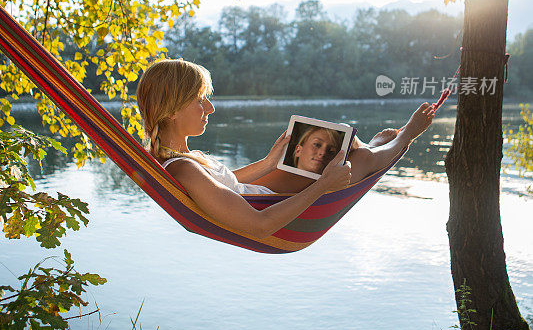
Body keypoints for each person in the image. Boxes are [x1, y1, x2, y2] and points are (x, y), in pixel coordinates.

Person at [136, 58, 434, 239]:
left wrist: (268, 163)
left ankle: (367, 145)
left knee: (339, 142)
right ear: (172, 110)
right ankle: (404, 136)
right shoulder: (184, 169)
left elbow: (223, 185)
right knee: (359, 160)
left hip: (263, 195)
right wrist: (324, 186)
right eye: (200, 100)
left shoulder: (186, 160)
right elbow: (260, 226)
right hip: (272, 210)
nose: (210, 108)